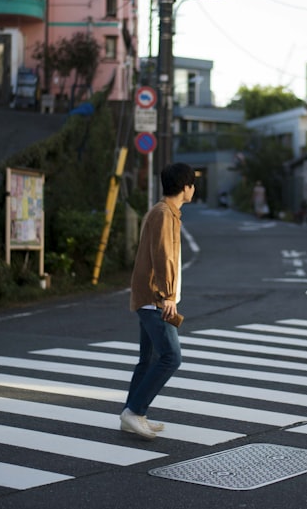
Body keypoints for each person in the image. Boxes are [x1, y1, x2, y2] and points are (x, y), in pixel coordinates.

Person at [120, 162, 196, 440]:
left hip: (151, 297)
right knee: (171, 357)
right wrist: (167, 296)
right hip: (155, 299)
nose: (193, 189)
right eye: (192, 184)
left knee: (148, 359)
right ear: (186, 187)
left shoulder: (166, 212)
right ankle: (133, 412)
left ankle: (134, 414)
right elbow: (163, 256)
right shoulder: (164, 214)